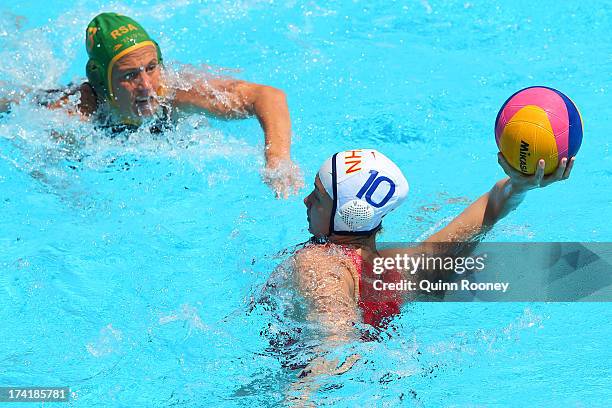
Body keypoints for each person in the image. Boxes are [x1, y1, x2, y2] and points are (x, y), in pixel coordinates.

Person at [281, 148, 574, 402]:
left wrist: (302, 395)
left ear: (349, 214)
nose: (306, 201)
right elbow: (490, 210)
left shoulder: (316, 262)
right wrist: (520, 185)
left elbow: (334, 341)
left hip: (308, 385)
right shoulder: (400, 274)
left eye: (318, 197)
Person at [0, 12, 302, 198]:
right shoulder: (76, 112)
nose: (147, 85)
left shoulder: (173, 90)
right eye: (130, 75)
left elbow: (268, 96)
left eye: (151, 67)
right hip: (40, 100)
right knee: (15, 99)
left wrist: (277, 158)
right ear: (103, 81)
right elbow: (38, 160)